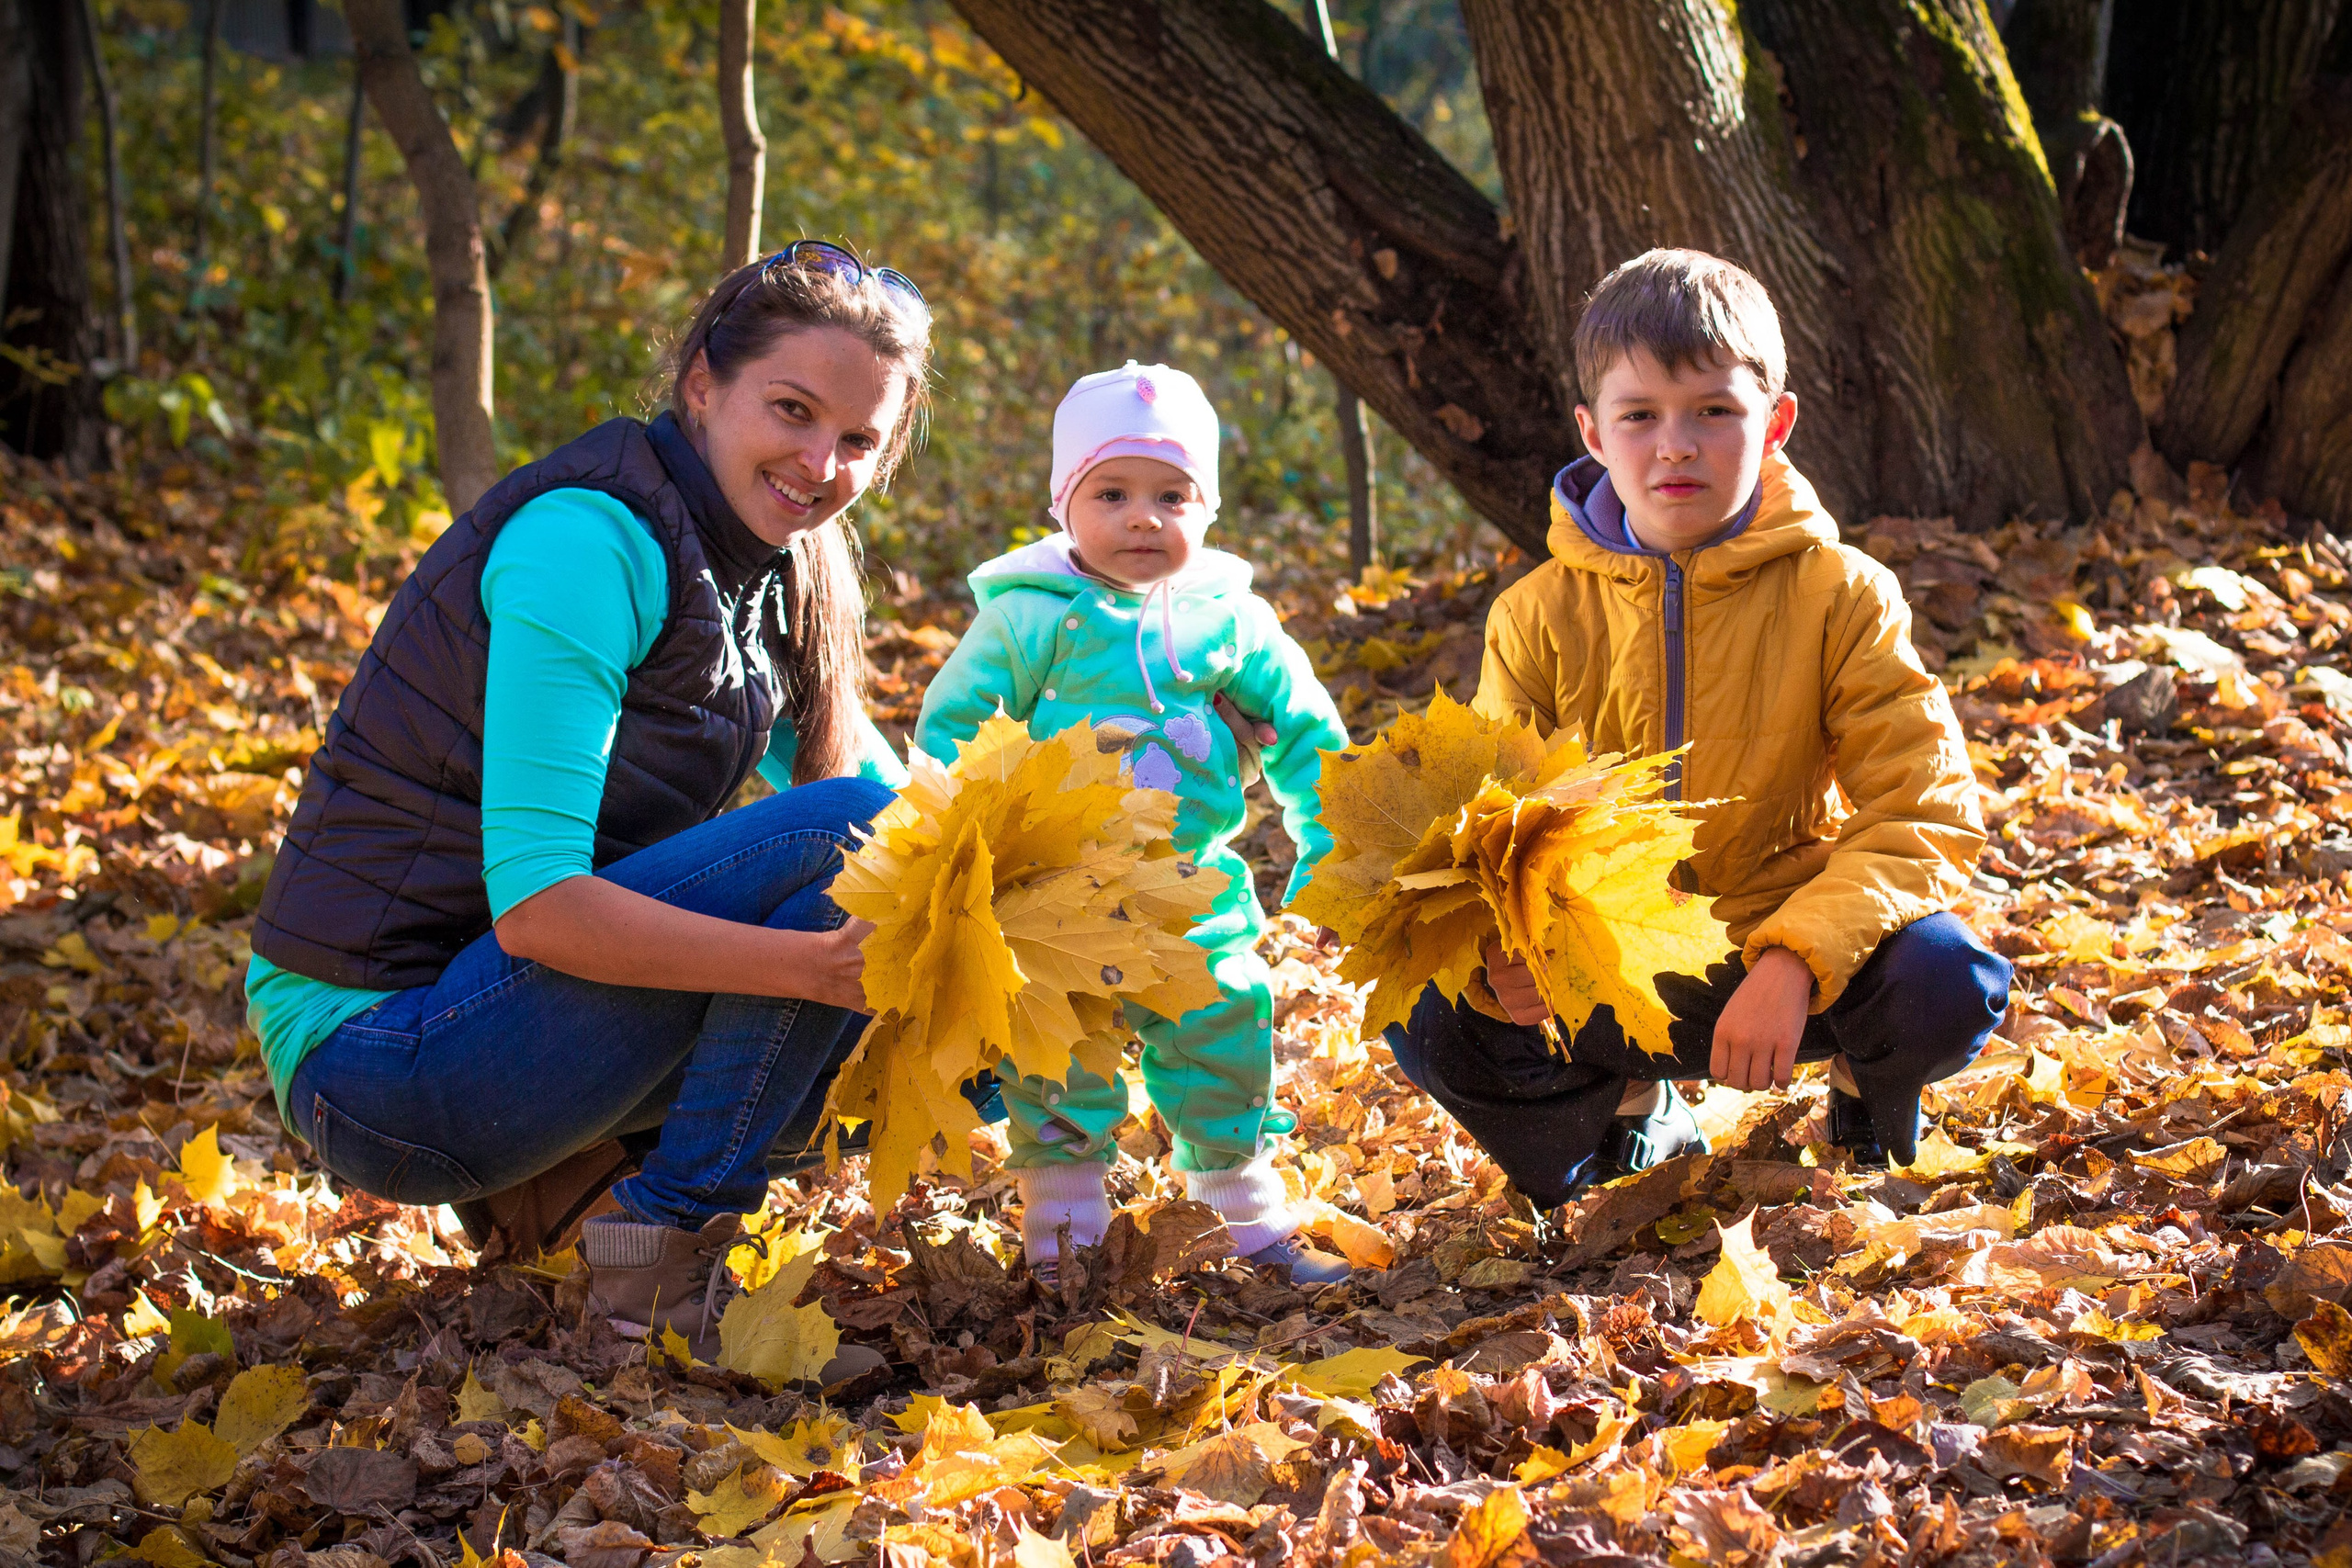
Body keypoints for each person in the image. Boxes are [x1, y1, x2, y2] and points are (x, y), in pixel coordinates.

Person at [243, 244, 964, 1374]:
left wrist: (1056, 864)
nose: (820, 463)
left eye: (858, 441)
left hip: (502, 1019)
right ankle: (657, 1249)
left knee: (963, 1012)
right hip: (374, 1060)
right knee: (844, 842)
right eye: (791, 410)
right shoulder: (588, 543)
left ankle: (578, 1198)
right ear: (701, 385)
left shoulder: (766, 571)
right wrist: (807, 971)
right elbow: (540, 910)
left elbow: (908, 814)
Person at [1385, 249, 2012, 1203]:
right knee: (1430, 1013)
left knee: (1945, 976)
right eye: (1640, 415)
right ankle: (1627, 1111)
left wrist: (1795, 956)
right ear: (1593, 432)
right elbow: (1492, 835)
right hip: (1607, 963)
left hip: (1786, 950)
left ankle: (1863, 1102)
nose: (1675, 445)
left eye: (1713, 411)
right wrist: (1498, 959)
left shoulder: (1841, 594)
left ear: (1775, 423)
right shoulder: (1534, 616)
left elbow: (1924, 811)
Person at [915, 362, 1355, 1285]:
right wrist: (967, 842)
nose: (1144, 518)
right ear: (1064, 504)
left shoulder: (1231, 621)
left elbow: (1306, 735)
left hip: (1191, 885)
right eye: (1111, 493)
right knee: (1057, 1057)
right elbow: (953, 731)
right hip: (1054, 891)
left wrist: (1330, 849)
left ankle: (1243, 1217)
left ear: (1208, 508)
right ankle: (1063, 1236)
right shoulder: (1028, 620)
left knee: (1225, 1024)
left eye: (1172, 496)